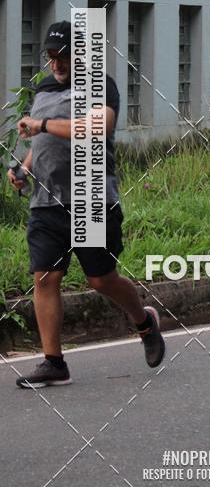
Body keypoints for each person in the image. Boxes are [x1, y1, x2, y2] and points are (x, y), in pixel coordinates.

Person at [7, 21, 165, 388]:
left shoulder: (100, 85)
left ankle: (144, 321)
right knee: (45, 278)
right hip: (46, 200)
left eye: (62, 57)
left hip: (91, 195)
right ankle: (53, 362)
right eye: (50, 57)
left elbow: (99, 127)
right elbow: (38, 141)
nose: (56, 65)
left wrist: (43, 124)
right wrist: (23, 168)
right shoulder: (44, 88)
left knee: (100, 278)